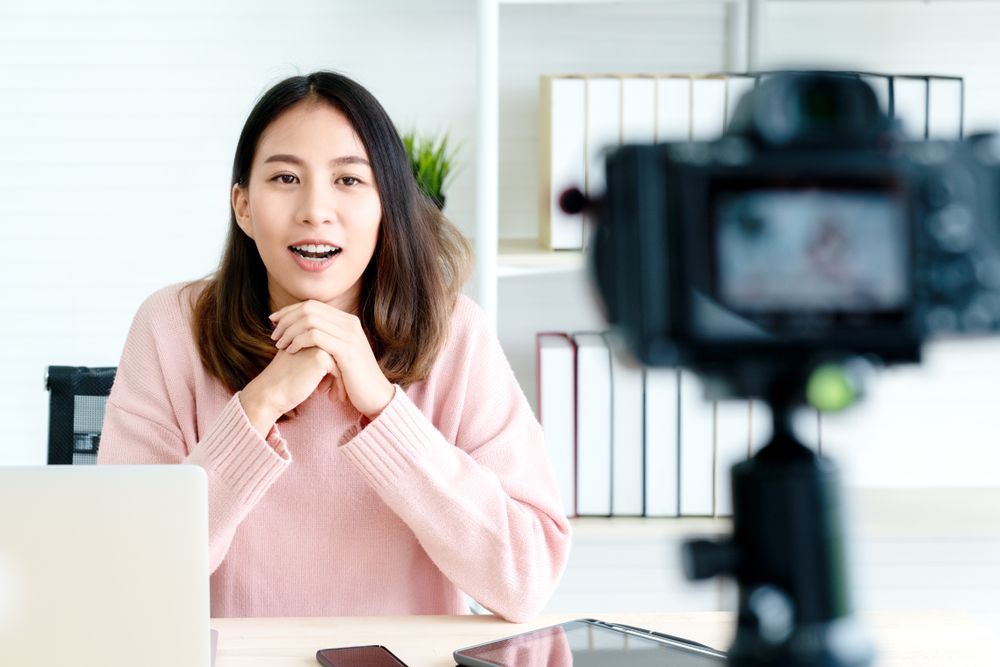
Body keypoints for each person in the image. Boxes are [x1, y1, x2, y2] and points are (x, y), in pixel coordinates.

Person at [97, 71, 571, 622]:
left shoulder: (454, 334)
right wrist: (257, 407)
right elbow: (123, 579)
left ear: (385, 207)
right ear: (243, 207)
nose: (315, 211)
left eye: (348, 181)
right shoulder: (171, 327)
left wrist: (387, 413)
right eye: (284, 178)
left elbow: (527, 580)